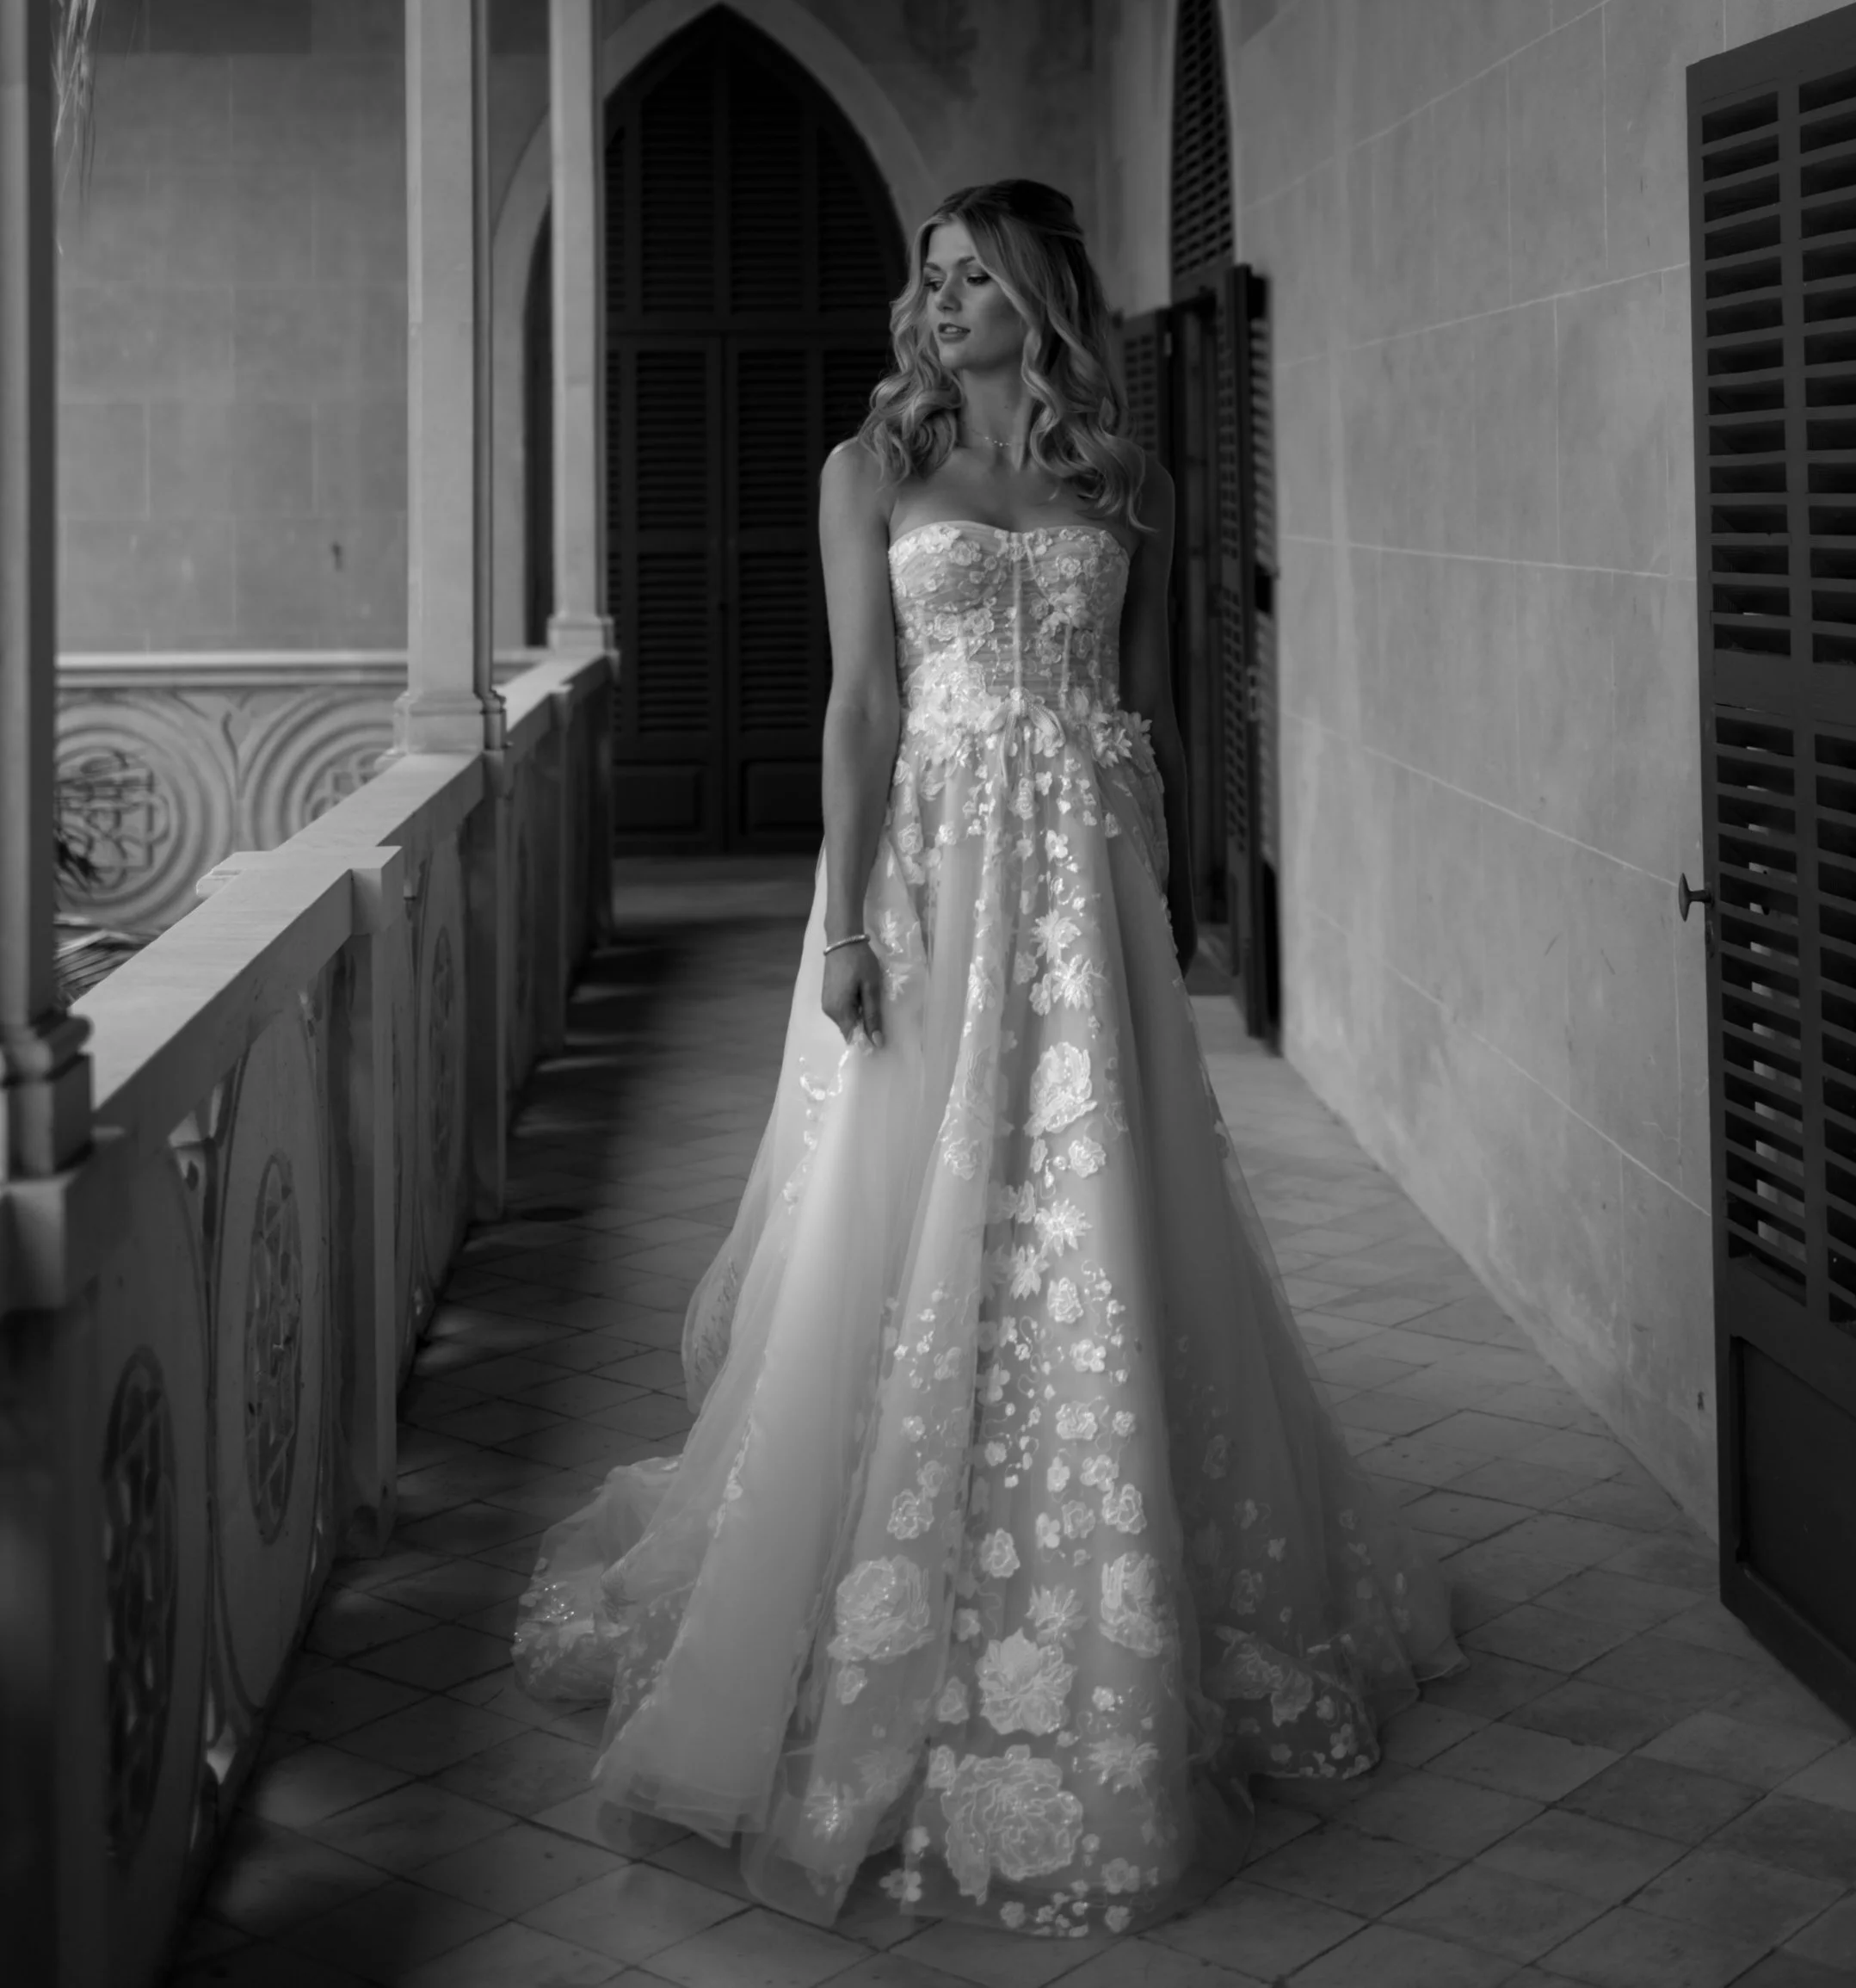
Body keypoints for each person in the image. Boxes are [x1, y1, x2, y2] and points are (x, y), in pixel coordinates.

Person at [512, 177, 1458, 1942]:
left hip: (1083, 878)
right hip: (935, 869)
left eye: (966, 275)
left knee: (1092, 1208)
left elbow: (1155, 699)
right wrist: (849, 919)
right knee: (910, 1202)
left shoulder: (1124, 479)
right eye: (925, 276)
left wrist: (1165, 890)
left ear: (1038, 293)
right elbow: (858, 699)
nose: (934, 301)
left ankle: (1116, 1555)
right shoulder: (869, 468)